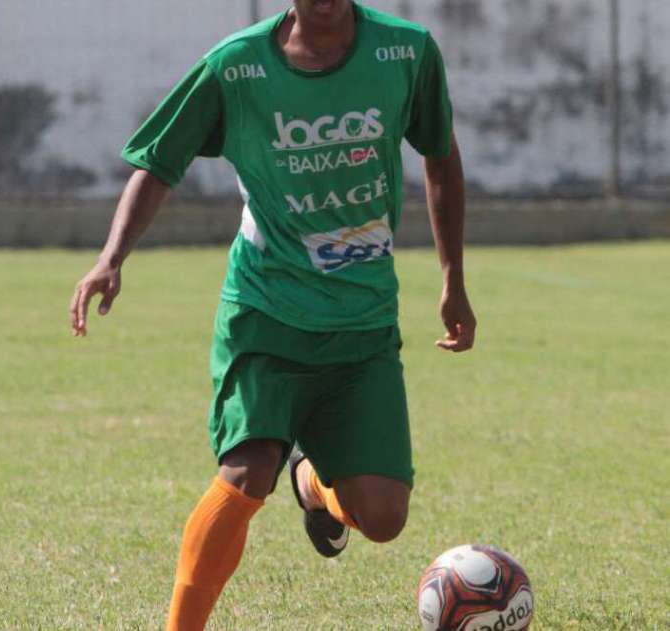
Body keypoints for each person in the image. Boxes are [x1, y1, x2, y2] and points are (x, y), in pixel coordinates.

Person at [69, 1, 475, 629]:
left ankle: (312, 483)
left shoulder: (407, 51)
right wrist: (111, 256)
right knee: (245, 475)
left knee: (384, 518)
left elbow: (440, 154)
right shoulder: (236, 67)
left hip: (362, 325)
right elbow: (158, 162)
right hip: (265, 313)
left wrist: (453, 279)